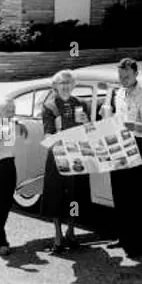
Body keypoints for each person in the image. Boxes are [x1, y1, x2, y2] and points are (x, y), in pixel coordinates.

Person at [103, 58, 142, 258]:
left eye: (126, 76)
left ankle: (139, 243)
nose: (123, 80)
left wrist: (130, 126)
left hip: (135, 146)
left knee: (137, 198)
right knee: (120, 195)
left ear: (136, 74)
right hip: (119, 146)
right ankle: (123, 237)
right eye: (120, 76)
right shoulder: (118, 93)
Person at [41, 69, 92, 254]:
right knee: (56, 195)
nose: (65, 86)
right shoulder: (49, 106)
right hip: (58, 155)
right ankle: (57, 235)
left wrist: (87, 123)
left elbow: (88, 130)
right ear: (55, 86)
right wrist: (53, 135)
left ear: (73, 85)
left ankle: (71, 231)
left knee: (75, 195)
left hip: (76, 154)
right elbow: (47, 132)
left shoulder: (80, 103)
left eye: (69, 83)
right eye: (62, 83)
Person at [0, 98, 29, 256]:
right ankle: (0, 242)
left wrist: (19, 124)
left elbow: (15, 123)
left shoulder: (10, 125)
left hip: (10, 165)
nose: (12, 113)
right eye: (8, 110)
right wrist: (0, 138)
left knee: (4, 204)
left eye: (13, 109)